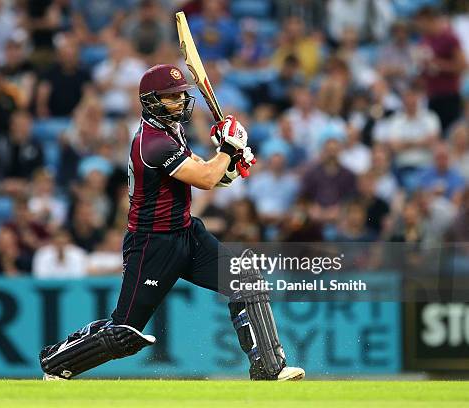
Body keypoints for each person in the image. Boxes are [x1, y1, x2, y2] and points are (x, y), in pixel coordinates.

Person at [39, 64, 304, 381]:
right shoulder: (152, 143)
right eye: (171, 97)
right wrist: (228, 149)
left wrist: (231, 164)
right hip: (153, 244)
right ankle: (56, 362)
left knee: (244, 277)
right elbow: (206, 179)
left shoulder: (171, 131)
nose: (179, 102)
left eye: (181, 96)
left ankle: (269, 368)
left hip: (186, 233)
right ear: (151, 101)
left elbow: (210, 175)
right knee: (125, 334)